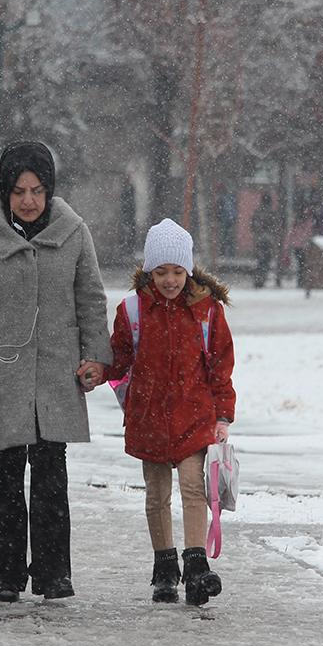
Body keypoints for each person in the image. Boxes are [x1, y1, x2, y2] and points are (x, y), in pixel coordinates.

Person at [0, 141, 111, 603]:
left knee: (51, 474)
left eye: (36, 190)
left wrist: (96, 355)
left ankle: (54, 574)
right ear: (5, 192)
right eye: (18, 191)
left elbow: (91, 299)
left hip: (56, 374)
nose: (28, 200)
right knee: (5, 477)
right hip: (1, 373)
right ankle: (6, 575)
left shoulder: (74, 233)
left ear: (49, 190)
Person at [104, 219, 236, 606]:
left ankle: (195, 565)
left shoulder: (207, 312)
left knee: (194, 487)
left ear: (188, 270)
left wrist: (223, 416)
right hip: (148, 418)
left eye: (177, 271)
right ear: (149, 271)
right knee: (157, 494)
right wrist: (95, 369)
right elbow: (118, 359)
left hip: (194, 416)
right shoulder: (132, 311)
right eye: (161, 272)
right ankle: (164, 568)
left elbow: (220, 367)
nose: (170, 280)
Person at [250, 192, 280, 289]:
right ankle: (261, 278)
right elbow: (275, 227)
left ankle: (258, 279)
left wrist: (258, 232)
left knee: (260, 260)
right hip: (269, 240)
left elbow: (253, 226)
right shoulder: (272, 213)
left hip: (259, 239)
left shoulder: (257, 212)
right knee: (266, 260)